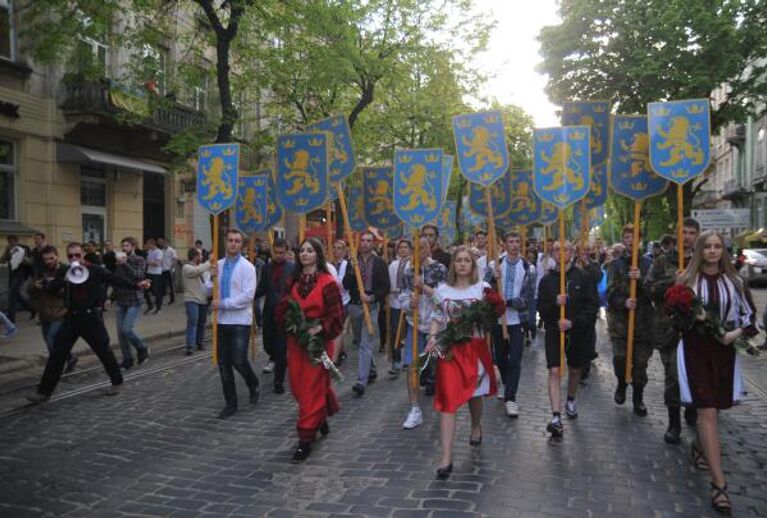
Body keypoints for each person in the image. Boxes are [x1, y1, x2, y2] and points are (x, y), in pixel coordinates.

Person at [676, 231, 756, 515]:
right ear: (700, 250)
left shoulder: (735, 282)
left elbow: (750, 320)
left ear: (723, 250)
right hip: (695, 350)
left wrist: (731, 335)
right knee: (706, 411)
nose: (712, 251)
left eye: (717, 247)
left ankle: (700, 446)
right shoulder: (686, 281)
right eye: (707, 247)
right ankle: (719, 485)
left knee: (715, 411)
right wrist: (689, 316)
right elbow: (673, 317)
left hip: (724, 352)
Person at [26, 242, 151, 403]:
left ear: (82, 255)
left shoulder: (95, 269)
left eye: (77, 255)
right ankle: (43, 392)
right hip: (71, 317)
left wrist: (136, 285)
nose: (74, 258)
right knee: (57, 354)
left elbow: (114, 279)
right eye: (70, 256)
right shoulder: (64, 270)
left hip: (91, 317)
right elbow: (52, 289)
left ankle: (117, 381)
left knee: (103, 351)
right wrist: (61, 281)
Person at [426, 246, 497, 479]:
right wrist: (432, 337)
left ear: (473, 265)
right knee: (447, 399)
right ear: (453, 265)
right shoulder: (442, 290)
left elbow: (489, 322)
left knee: (474, 395)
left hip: (474, 349)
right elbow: (437, 318)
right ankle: (446, 458)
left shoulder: (482, 289)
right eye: (459, 260)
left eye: (467, 260)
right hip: (449, 351)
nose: (463, 264)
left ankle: (476, 425)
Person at [276, 238, 344, 462]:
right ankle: (320, 416)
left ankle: (305, 438)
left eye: (309, 250)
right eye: (301, 250)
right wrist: (290, 324)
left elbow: (336, 317)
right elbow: (282, 308)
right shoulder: (292, 282)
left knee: (311, 388)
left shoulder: (328, 282)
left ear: (318, 254)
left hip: (318, 343)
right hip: (297, 343)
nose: (304, 254)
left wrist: (319, 329)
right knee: (297, 386)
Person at [645, 217, 701, 443]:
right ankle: (673, 423)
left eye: (691, 233)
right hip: (669, 328)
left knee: (697, 374)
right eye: (683, 232)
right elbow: (648, 288)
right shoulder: (662, 261)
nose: (687, 237)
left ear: (697, 235)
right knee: (673, 377)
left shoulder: (702, 260)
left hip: (698, 328)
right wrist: (673, 282)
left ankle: (693, 406)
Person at [537, 240, 599, 436]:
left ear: (572, 252)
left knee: (574, 370)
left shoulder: (583, 277)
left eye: (566, 249)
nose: (561, 252)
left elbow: (592, 306)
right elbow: (540, 308)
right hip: (554, 332)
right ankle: (556, 416)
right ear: (552, 253)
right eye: (557, 249)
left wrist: (573, 322)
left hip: (577, 332)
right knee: (554, 371)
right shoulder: (547, 280)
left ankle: (570, 399)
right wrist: (554, 304)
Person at [206, 229, 260, 419]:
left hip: (239, 321)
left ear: (242, 245)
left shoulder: (248, 267)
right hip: (221, 321)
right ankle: (230, 402)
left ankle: (252, 382)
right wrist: (210, 276)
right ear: (225, 242)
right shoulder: (217, 265)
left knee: (239, 360)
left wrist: (224, 304)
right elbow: (208, 290)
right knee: (223, 364)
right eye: (230, 240)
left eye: (237, 241)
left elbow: (247, 296)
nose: (233, 244)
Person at [399, 236, 448, 429]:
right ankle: (414, 409)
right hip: (415, 325)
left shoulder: (439, 269)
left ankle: (445, 401)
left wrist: (425, 288)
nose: (419, 251)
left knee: (441, 364)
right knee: (412, 366)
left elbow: (443, 298)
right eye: (415, 248)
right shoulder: (408, 270)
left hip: (437, 326)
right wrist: (408, 304)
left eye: (423, 247)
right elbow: (403, 296)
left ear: (429, 249)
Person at [607, 224, 655, 416]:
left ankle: (638, 397)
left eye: (633, 237)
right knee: (620, 358)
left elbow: (654, 292)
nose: (630, 241)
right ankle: (621, 382)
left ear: (639, 240)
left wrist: (641, 278)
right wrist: (623, 302)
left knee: (640, 364)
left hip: (643, 324)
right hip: (621, 324)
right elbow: (610, 293)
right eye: (626, 237)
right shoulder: (615, 265)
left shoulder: (648, 264)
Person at [485, 231, 534, 418]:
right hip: (498, 319)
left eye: (517, 241)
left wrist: (509, 302)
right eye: (510, 241)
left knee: (515, 358)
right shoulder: (495, 264)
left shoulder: (528, 267)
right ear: (504, 244)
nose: (514, 245)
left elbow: (527, 296)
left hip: (517, 320)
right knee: (501, 357)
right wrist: (492, 279)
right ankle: (506, 383)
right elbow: (485, 289)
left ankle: (511, 397)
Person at [342, 230, 390, 396]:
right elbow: (346, 284)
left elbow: (386, 286)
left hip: (372, 306)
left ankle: (361, 381)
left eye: (369, 240)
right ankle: (371, 369)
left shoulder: (380, 263)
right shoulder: (352, 262)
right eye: (363, 240)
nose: (366, 243)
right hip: (355, 306)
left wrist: (372, 297)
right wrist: (351, 270)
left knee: (366, 343)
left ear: (374, 243)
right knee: (360, 340)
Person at [255, 238, 295, 393]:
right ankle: (278, 358)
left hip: (285, 314)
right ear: (273, 251)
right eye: (276, 252)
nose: (279, 255)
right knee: (268, 344)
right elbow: (263, 288)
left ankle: (278, 381)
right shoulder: (266, 268)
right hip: (269, 312)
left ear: (286, 252)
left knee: (280, 347)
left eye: (282, 253)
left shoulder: (293, 268)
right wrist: (249, 295)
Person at [27, 245, 76, 371]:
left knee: (51, 339)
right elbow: (29, 289)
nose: (49, 261)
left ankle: (55, 368)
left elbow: (72, 291)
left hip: (60, 312)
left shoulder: (66, 269)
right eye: (46, 259)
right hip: (44, 312)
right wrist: (34, 286)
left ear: (57, 256)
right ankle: (69, 358)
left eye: (51, 258)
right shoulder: (40, 270)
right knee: (49, 342)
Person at [111, 237, 151, 370]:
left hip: (134, 300)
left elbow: (139, 276)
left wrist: (124, 264)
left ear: (133, 247)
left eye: (127, 246)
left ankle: (142, 347)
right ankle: (127, 359)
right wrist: (110, 298)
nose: (124, 248)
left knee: (126, 329)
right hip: (121, 301)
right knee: (121, 333)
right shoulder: (118, 263)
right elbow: (117, 281)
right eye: (123, 246)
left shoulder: (139, 260)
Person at [387, 239, 411, 375]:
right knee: (395, 331)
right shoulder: (393, 265)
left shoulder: (413, 264)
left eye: (405, 247)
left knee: (409, 331)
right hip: (395, 303)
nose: (402, 250)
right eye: (400, 248)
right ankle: (396, 360)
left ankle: (408, 359)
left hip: (408, 304)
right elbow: (389, 283)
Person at [182, 248, 211, 355]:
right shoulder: (186, 267)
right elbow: (197, 271)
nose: (202, 257)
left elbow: (207, 278)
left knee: (202, 323)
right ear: (195, 256)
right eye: (200, 255)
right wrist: (210, 261)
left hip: (203, 298)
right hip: (191, 298)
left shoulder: (202, 267)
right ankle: (190, 346)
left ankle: (200, 343)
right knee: (193, 321)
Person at [1, 235, 35, 323]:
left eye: (12, 242)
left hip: (20, 274)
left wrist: (23, 258)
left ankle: (11, 319)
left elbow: (31, 262)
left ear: (17, 241)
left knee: (12, 295)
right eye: (9, 242)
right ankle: (31, 309)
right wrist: (7, 251)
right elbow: (2, 261)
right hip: (11, 274)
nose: (11, 244)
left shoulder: (24, 248)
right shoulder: (9, 249)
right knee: (16, 295)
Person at [331, 239, 351, 367]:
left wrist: (338, 283)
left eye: (340, 248)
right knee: (336, 327)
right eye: (335, 248)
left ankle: (336, 355)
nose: (337, 251)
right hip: (333, 300)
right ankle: (341, 351)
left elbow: (346, 284)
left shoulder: (348, 265)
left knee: (338, 327)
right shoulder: (329, 265)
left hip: (345, 300)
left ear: (344, 251)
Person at [145, 239, 164, 314]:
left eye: (148, 244)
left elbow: (157, 263)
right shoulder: (149, 251)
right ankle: (150, 306)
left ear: (153, 244)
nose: (147, 246)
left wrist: (150, 262)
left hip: (156, 274)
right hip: (149, 273)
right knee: (145, 290)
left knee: (156, 291)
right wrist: (151, 262)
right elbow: (148, 261)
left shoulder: (159, 252)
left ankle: (159, 308)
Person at [157, 237, 177, 305]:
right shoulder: (162, 250)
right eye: (163, 242)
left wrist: (171, 269)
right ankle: (161, 298)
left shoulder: (171, 250)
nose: (163, 244)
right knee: (162, 285)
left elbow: (174, 260)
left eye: (165, 242)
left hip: (169, 270)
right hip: (163, 270)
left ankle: (172, 299)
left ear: (167, 243)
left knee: (171, 285)